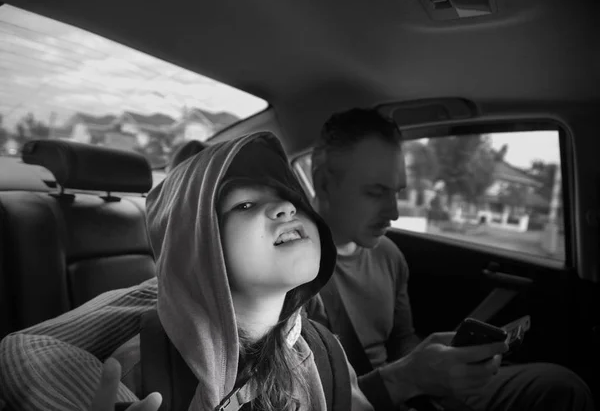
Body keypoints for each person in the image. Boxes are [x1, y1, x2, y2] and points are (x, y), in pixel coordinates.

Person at [0, 132, 373, 411]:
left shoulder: (327, 356)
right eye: (244, 204)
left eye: (289, 198)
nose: (285, 209)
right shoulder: (143, 376)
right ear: (199, 248)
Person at [306, 108, 595, 411]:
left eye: (396, 192)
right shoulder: (293, 278)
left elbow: (402, 341)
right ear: (324, 183)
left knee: (561, 388)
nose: (394, 212)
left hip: (412, 394)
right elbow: (314, 399)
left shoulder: (389, 255)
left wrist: (444, 366)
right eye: (376, 192)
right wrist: (407, 378)